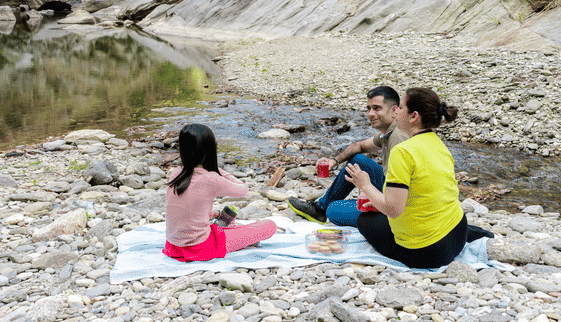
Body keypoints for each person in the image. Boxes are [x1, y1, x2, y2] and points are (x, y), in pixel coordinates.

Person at [345, 87, 469, 269]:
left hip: (430, 252)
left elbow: (393, 210)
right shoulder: (438, 143)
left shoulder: (403, 151)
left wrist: (365, 185)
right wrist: (379, 203)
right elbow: (428, 193)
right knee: (378, 212)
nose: (396, 113)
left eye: (401, 108)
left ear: (413, 116)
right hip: (458, 234)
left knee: (365, 221)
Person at [288, 86, 409, 226]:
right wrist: (333, 161)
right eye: (368, 108)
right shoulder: (388, 132)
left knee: (334, 210)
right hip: (391, 191)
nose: (370, 114)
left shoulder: (399, 138)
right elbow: (359, 147)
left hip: (401, 208)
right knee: (358, 160)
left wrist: (368, 191)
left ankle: (325, 210)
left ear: (394, 110)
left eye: (377, 108)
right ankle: (320, 209)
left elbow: (402, 196)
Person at [163, 123, 277, 262]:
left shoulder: (176, 172)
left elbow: (186, 210)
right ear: (210, 150)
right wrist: (217, 169)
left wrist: (211, 213)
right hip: (202, 247)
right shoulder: (211, 178)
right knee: (269, 226)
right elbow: (243, 190)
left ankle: (238, 236)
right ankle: (242, 241)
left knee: (229, 225)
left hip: (172, 246)